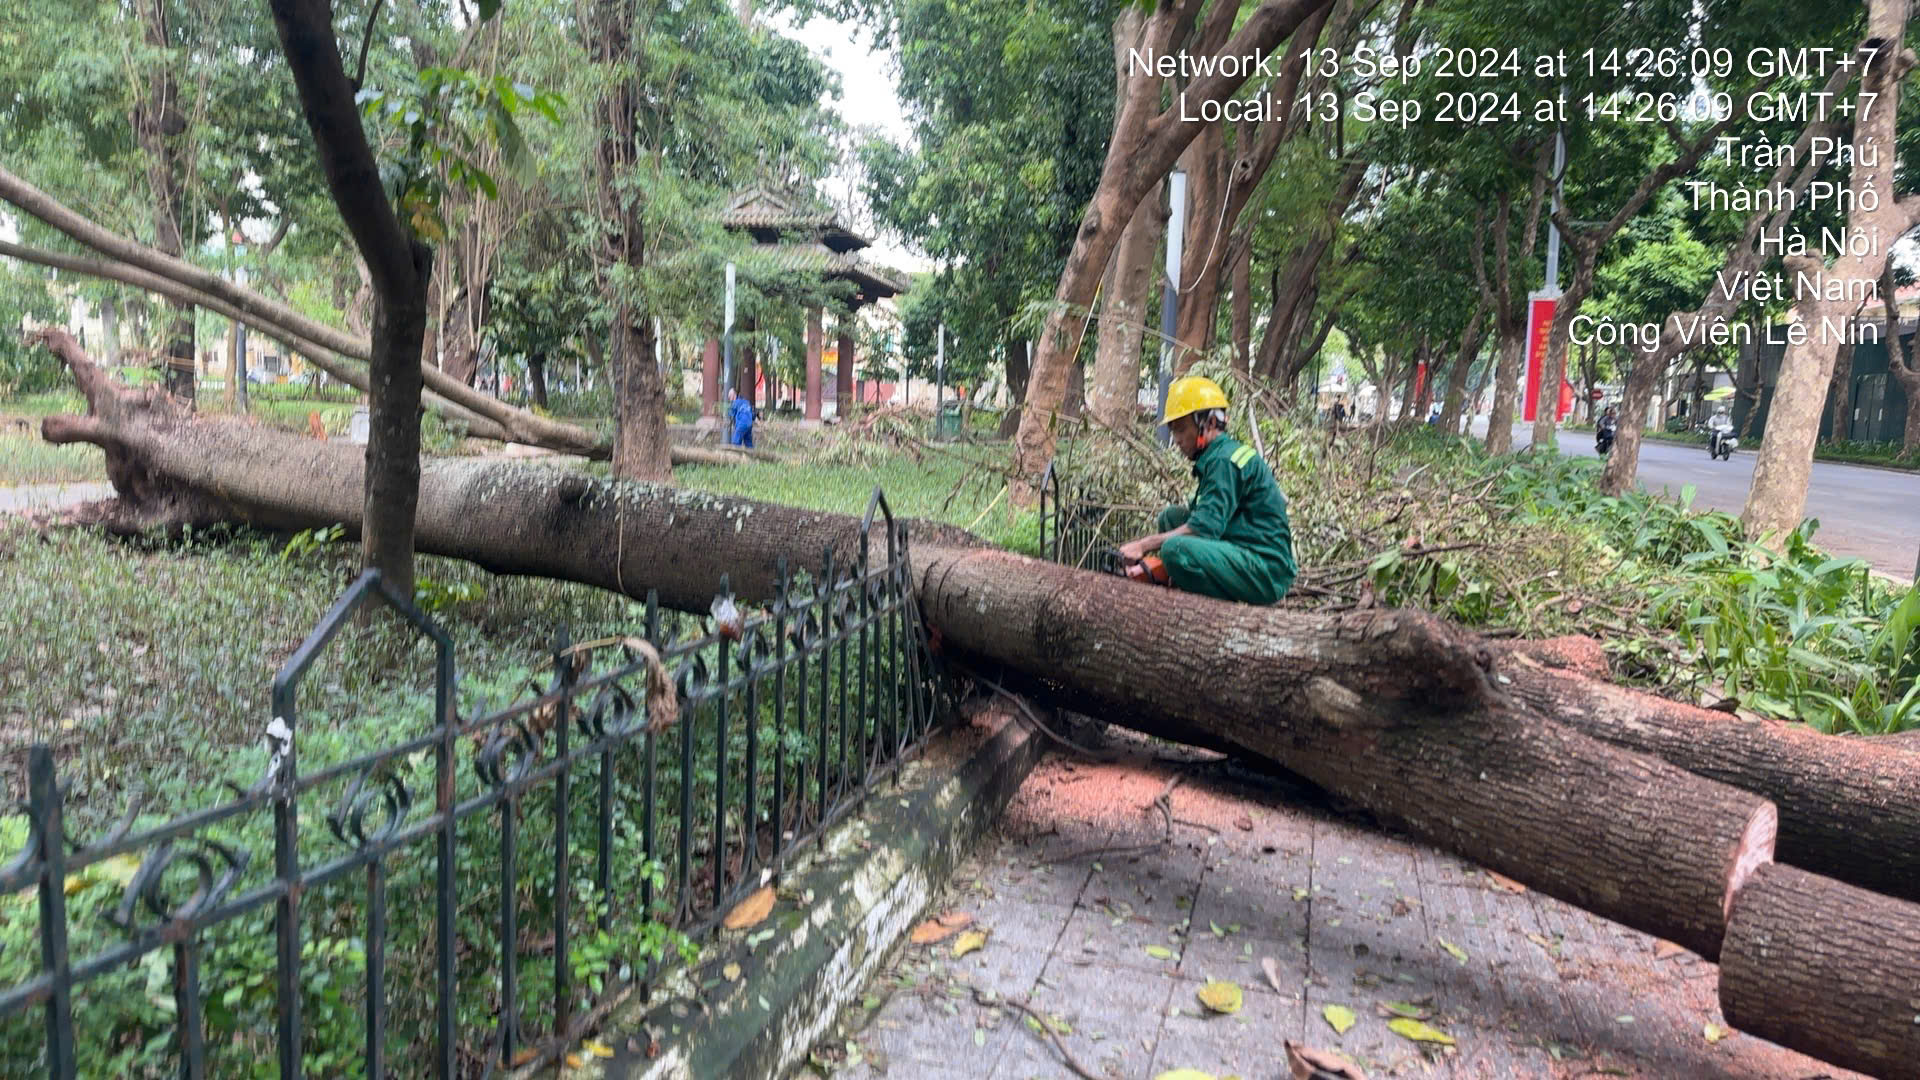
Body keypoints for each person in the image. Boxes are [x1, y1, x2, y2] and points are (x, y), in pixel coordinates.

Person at [1115, 376, 1297, 605]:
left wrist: (1143, 545)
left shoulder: (1224, 461)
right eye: (1173, 431)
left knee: (1174, 549)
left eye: (1181, 429)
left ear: (1209, 423)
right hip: (1244, 553)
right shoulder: (1217, 457)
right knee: (1171, 517)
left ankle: (1206, 607)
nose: (1177, 440)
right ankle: (1182, 589)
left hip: (1265, 571)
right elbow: (1205, 518)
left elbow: (1204, 528)